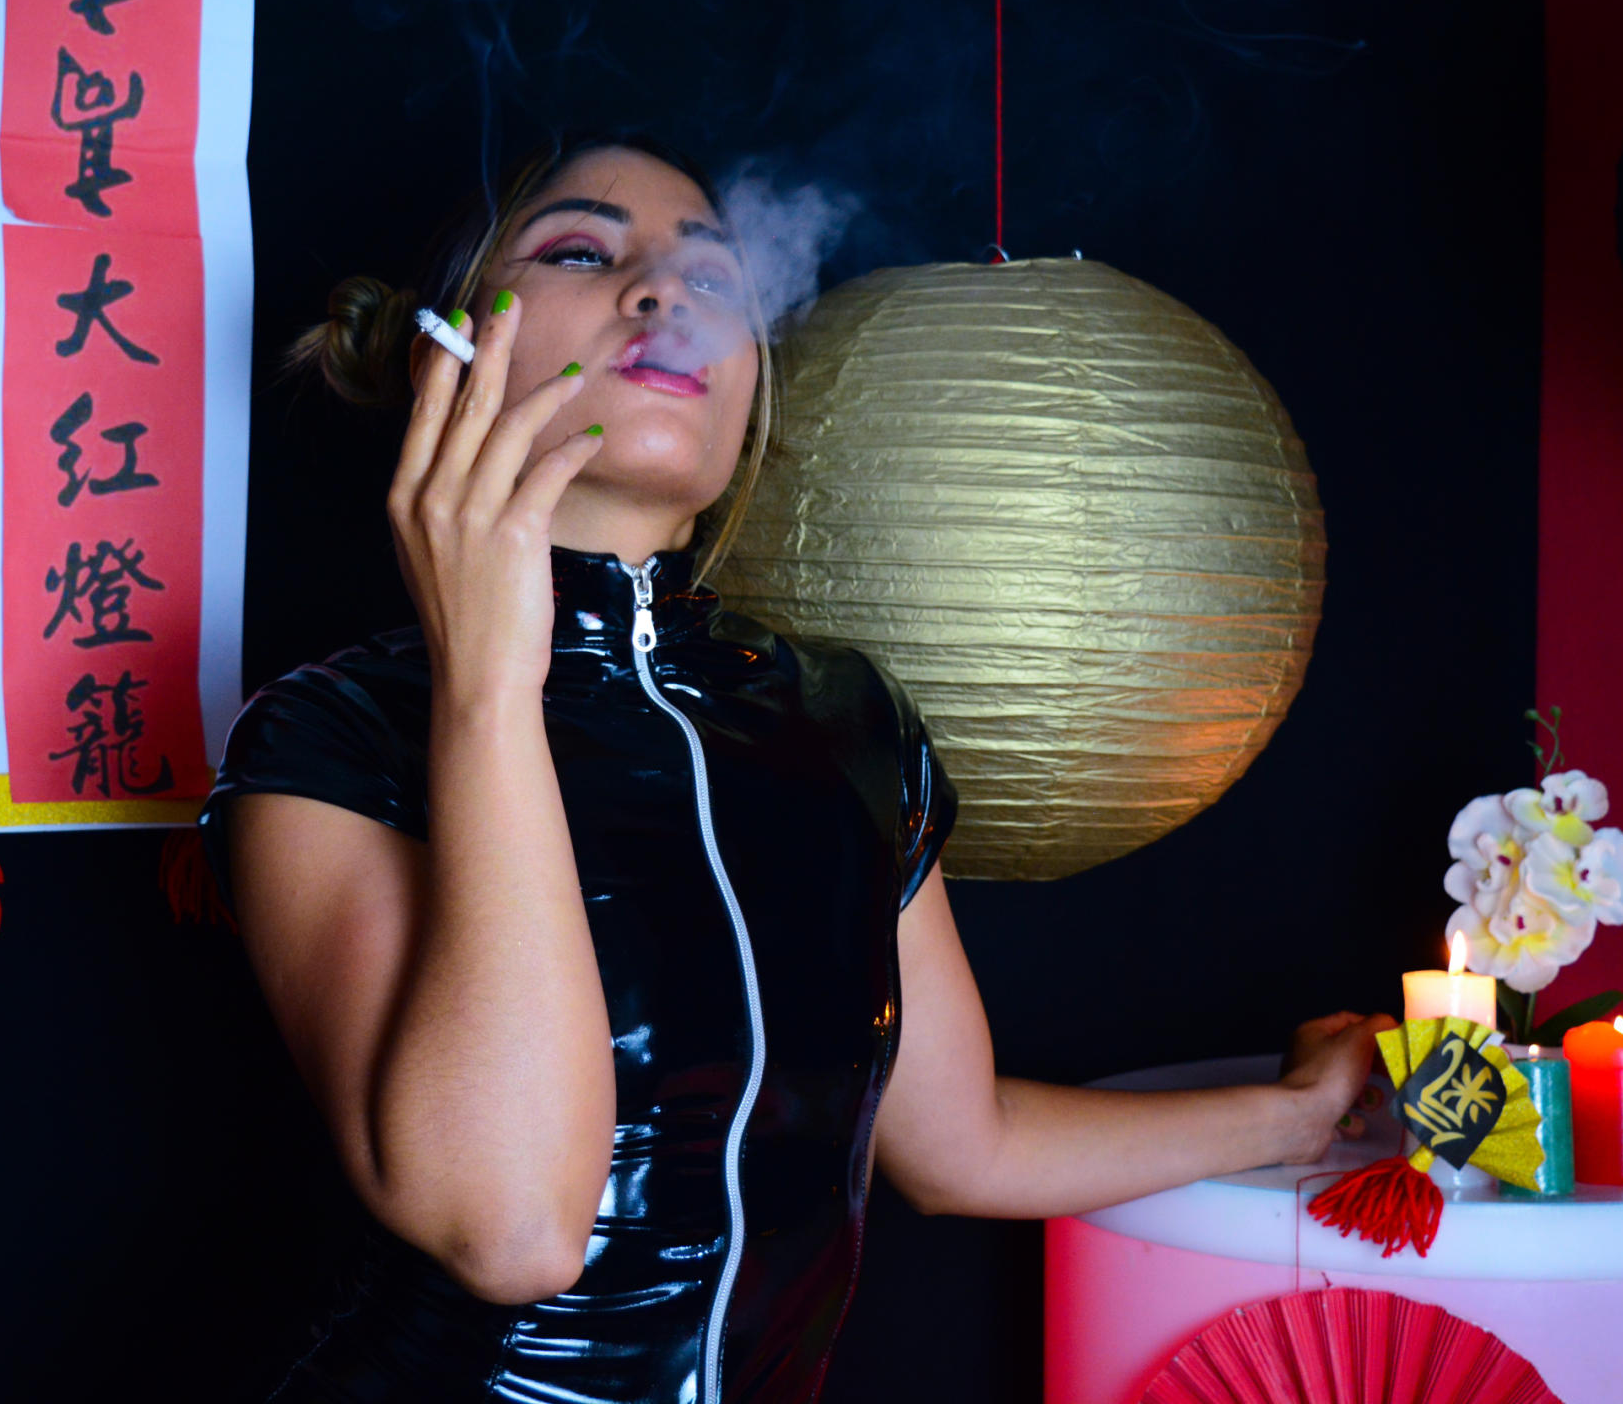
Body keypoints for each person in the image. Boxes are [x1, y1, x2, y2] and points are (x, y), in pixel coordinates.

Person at [200, 130, 1392, 1404]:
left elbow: (964, 1146)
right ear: (448, 353)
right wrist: (489, 684)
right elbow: (511, 1232)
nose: (663, 293)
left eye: (713, 274)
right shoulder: (334, 735)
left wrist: (1297, 1114)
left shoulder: (845, 722)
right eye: (582, 252)